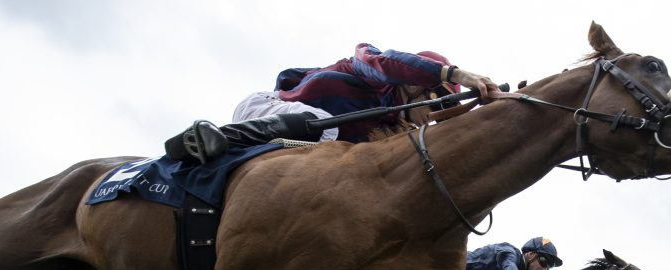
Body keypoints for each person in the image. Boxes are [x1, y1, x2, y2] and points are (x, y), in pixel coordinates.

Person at [165, 44, 499, 164]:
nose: (434, 116)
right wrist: (455, 74)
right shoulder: (368, 68)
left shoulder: (390, 126)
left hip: (295, 155)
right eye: (437, 103)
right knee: (326, 126)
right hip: (264, 110)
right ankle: (217, 140)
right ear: (414, 83)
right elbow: (386, 61)